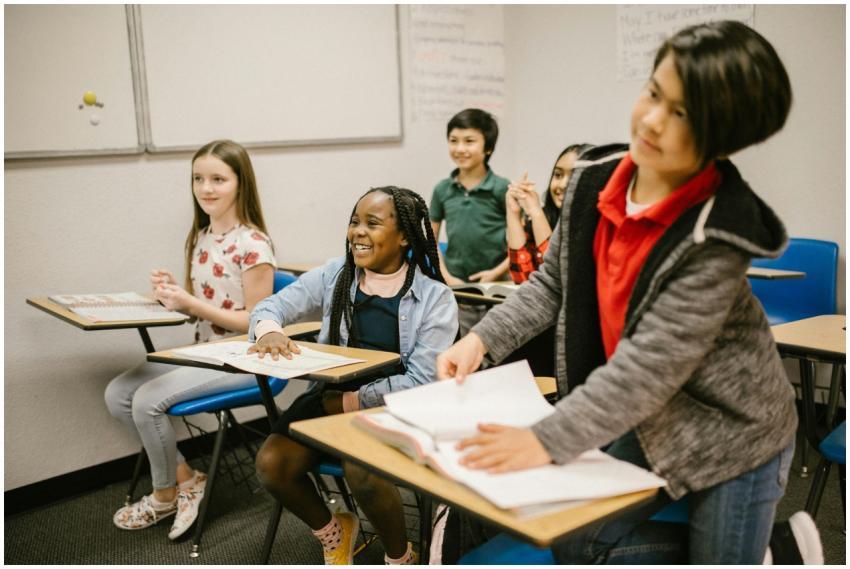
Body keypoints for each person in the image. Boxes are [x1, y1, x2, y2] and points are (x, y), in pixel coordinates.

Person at [436, 21, 822, 564]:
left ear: (723, 138)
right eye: (654, 93)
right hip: (647, 416)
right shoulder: (595, 178)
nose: (653, 120)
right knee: (576, 540)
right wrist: (481, 341)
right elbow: (553, 284)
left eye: (683, 114)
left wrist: (544, 440)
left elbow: (646, 370)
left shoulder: (714, 239)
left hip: (734, 432)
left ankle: (776, 551)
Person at [250, 186, 458, 565]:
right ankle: (335, 531)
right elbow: (272, 305)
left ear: (405, 237)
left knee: (360, 470)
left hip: (393, 409)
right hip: (330, 398)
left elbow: (424, 380)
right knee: (271, 463)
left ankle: (400, 556)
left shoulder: (435, 298)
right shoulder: (336, 274)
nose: (358, 232)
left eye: (372, 224)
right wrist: (269, 330)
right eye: (354, 222)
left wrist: (348, 402)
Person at [105, 140, 275, 539]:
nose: (206, 188)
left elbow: (256, 320)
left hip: (243, 356)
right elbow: (198, 305)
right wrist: (173, 298)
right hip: (202, 351)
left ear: (240, 184)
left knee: (147, 402)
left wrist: (191, 305)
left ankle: (164, 494)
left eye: (218, 179)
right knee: (118, 393)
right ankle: (186, 477)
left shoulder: (254, 244)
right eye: (199, 178)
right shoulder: (200, 237)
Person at [429, 108, 510, 335]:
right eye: (454, 141)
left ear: (488, 147)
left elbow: (521, 243)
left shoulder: (502, 187)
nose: (460, 148)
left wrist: (495, 272)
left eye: (469, 141)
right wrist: (446, 275)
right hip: (457, 289)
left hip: (496, 289)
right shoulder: (442, 189)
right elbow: (430, 238)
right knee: (461, 347)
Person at [506, 143, 590, 284]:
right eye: (558, 175)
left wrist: (536, 213)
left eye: (574, 176)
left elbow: (558, 278)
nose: (562, 184)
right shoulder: (546, 218)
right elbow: (522, 277)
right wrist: (513, 211)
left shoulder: (597, 226)